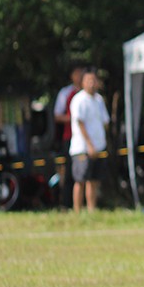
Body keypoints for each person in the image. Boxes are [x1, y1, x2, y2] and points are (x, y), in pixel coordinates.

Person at [69, 68, 110, 213]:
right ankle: (77, 211)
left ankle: (91, 210)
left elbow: (105, 122)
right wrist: (90, 145)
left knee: (94, 181)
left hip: (98, 147)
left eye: (94, 80)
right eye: (89, 81)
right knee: (80, 180)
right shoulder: (79, 100)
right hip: (82, 148)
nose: (92, 83)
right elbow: (80, 123)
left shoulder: (99, 100)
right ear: (83, 82)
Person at [52, 63, 84, 207]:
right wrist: (74, 119)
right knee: (70, 172)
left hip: (85, 139)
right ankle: (66, 204)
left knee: (84, 174)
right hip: (70, 137)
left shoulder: (88, 94)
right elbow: (57, 116)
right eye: (77, 73)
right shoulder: (66, 93)